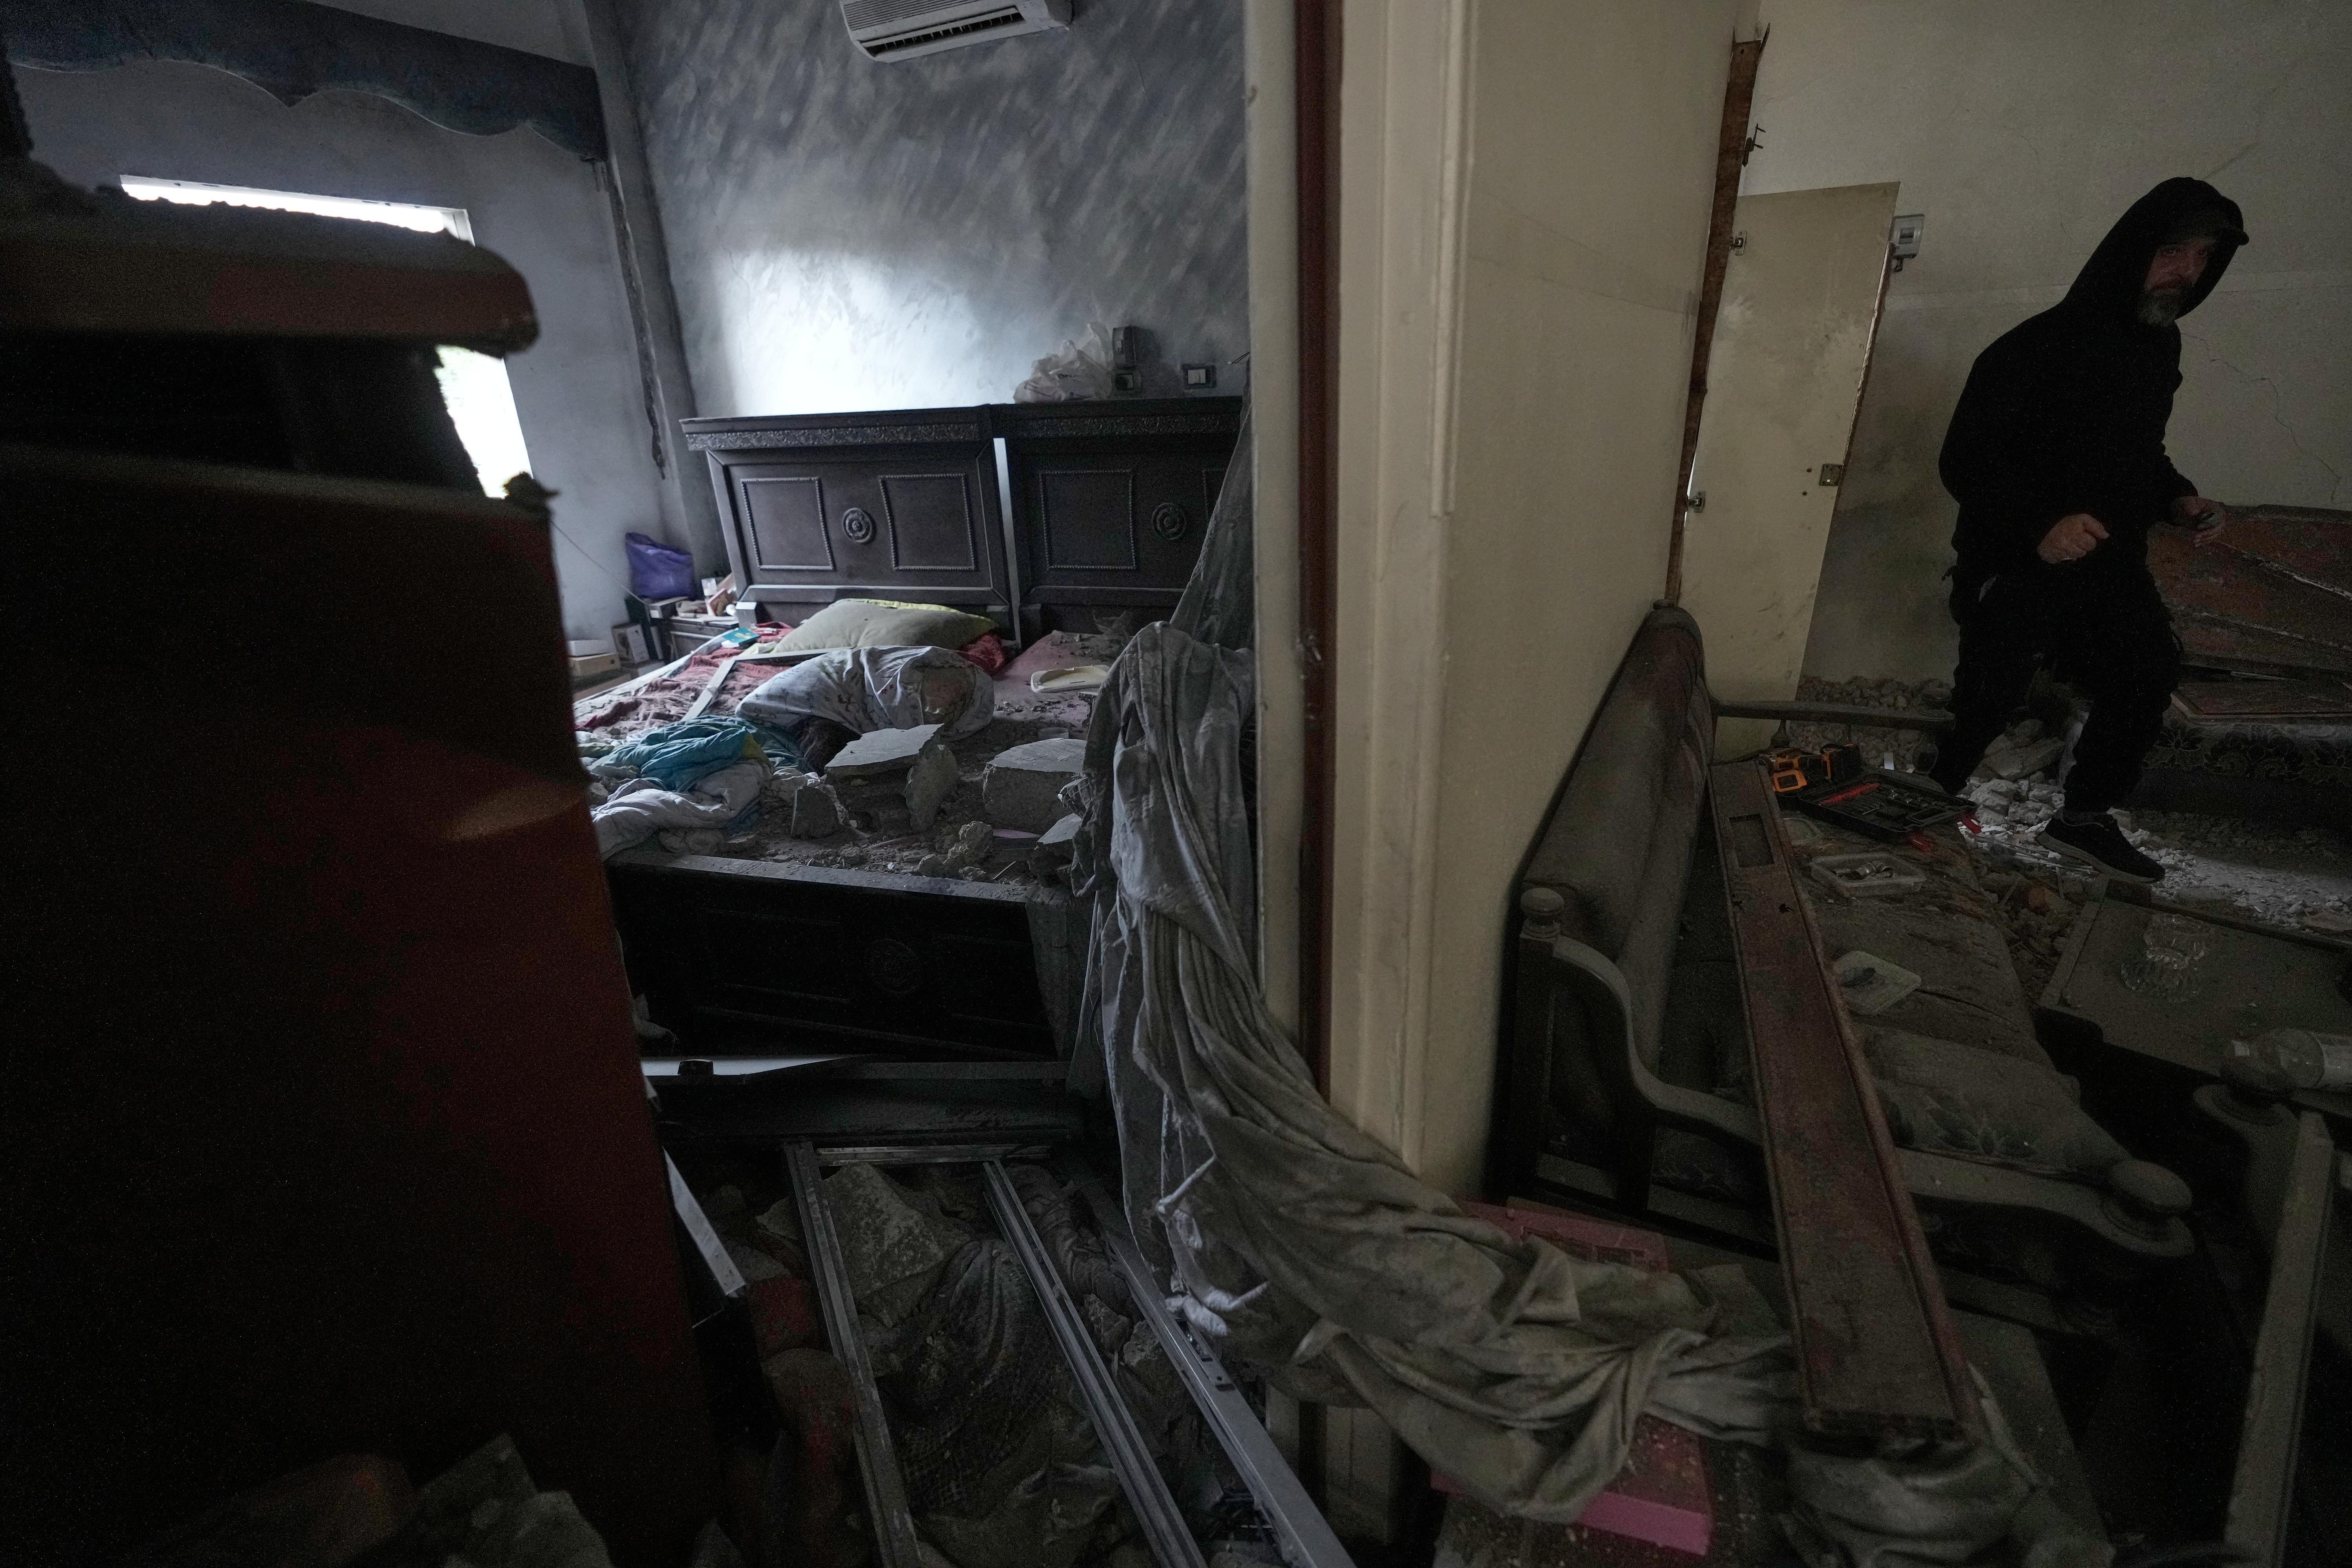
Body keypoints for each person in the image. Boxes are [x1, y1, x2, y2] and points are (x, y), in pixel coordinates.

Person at [1929, 178, 2248, 883]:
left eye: (2201, 258)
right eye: (2172, 252)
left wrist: (2179, 500)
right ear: (2132, 251)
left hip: (2108, 561)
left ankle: (2083, 820)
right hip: (2015, 557)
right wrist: (2040, 526)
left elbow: (2140, 453)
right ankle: (1926, 799)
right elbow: (1965, 460)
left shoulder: (2158, 350)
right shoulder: (2032, 348)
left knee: (2146, 672)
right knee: (1988, 692)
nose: (2186, 273)